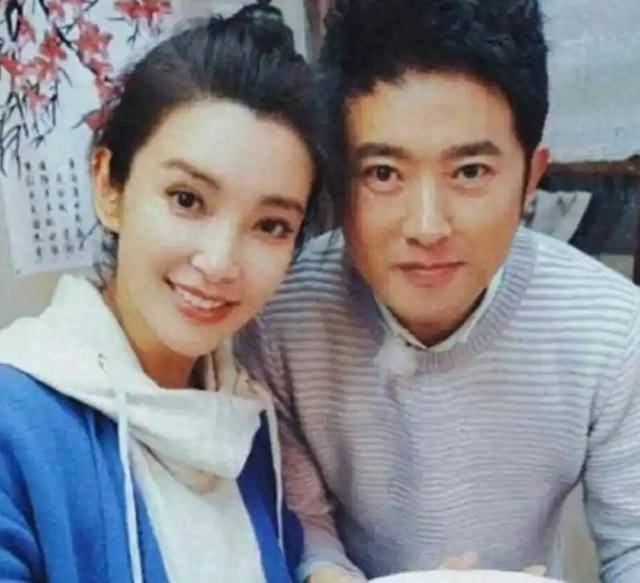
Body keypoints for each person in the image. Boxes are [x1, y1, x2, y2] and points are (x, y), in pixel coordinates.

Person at [235, 0, 640, 581]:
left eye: (469, 172)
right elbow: (303, 522)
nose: (427, 226)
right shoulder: (278, 319)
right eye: (383, 174)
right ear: (337, 179)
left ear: (531, 177)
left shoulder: (613, 330)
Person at [0, 3, 328, 581]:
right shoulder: (16, 425)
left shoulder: (243, 426)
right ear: (110, 187)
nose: (219, 262)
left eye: (270, 225)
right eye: (187, 200)